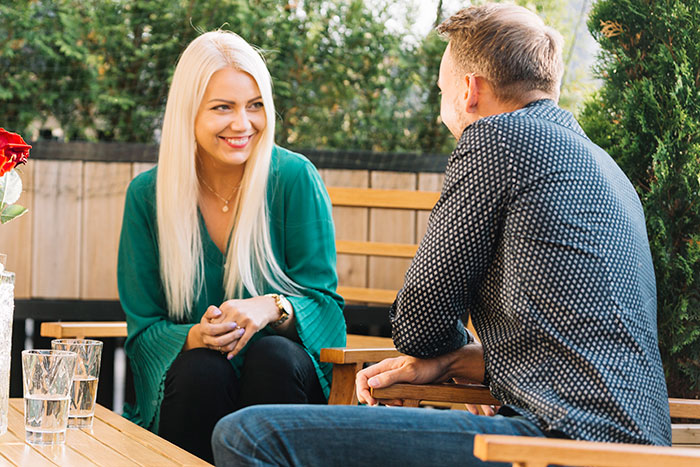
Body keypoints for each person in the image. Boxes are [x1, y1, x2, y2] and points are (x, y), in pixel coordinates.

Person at [211, 3, 672, 466]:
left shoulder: (496, 137)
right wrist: (457, 361)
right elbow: (574, 342)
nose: (439, 114)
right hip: (636, 451)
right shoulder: (607, 169)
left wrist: (437, 351)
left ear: (470, 90)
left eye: (440, 91)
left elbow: (419, 321)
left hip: (551, 443)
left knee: (247, 434)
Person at [116, 30, 346, 463]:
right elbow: (143, 332)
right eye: (223, 107)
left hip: (284, 383)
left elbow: (330, 315)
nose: (243, 124)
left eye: (255, 106)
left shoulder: (295, 178)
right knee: (202, 365)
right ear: (189, 112)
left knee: (272, 355)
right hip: (191, 390)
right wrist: (193, 336)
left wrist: (275, 307)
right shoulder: (147, 196)